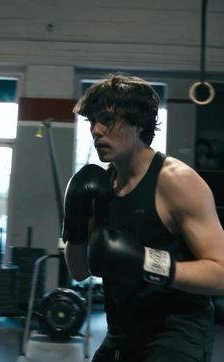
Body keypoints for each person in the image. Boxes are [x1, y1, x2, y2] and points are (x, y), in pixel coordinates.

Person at [62, 74, 224, 362]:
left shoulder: (176, 181)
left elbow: (221, 274)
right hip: (121, 332)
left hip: (176, 334)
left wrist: (147, 262)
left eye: (108, 120)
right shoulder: (101, 186)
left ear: (139, 124)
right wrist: (74, 224)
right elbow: (79, 272)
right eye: (92, 122)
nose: (96, 130)